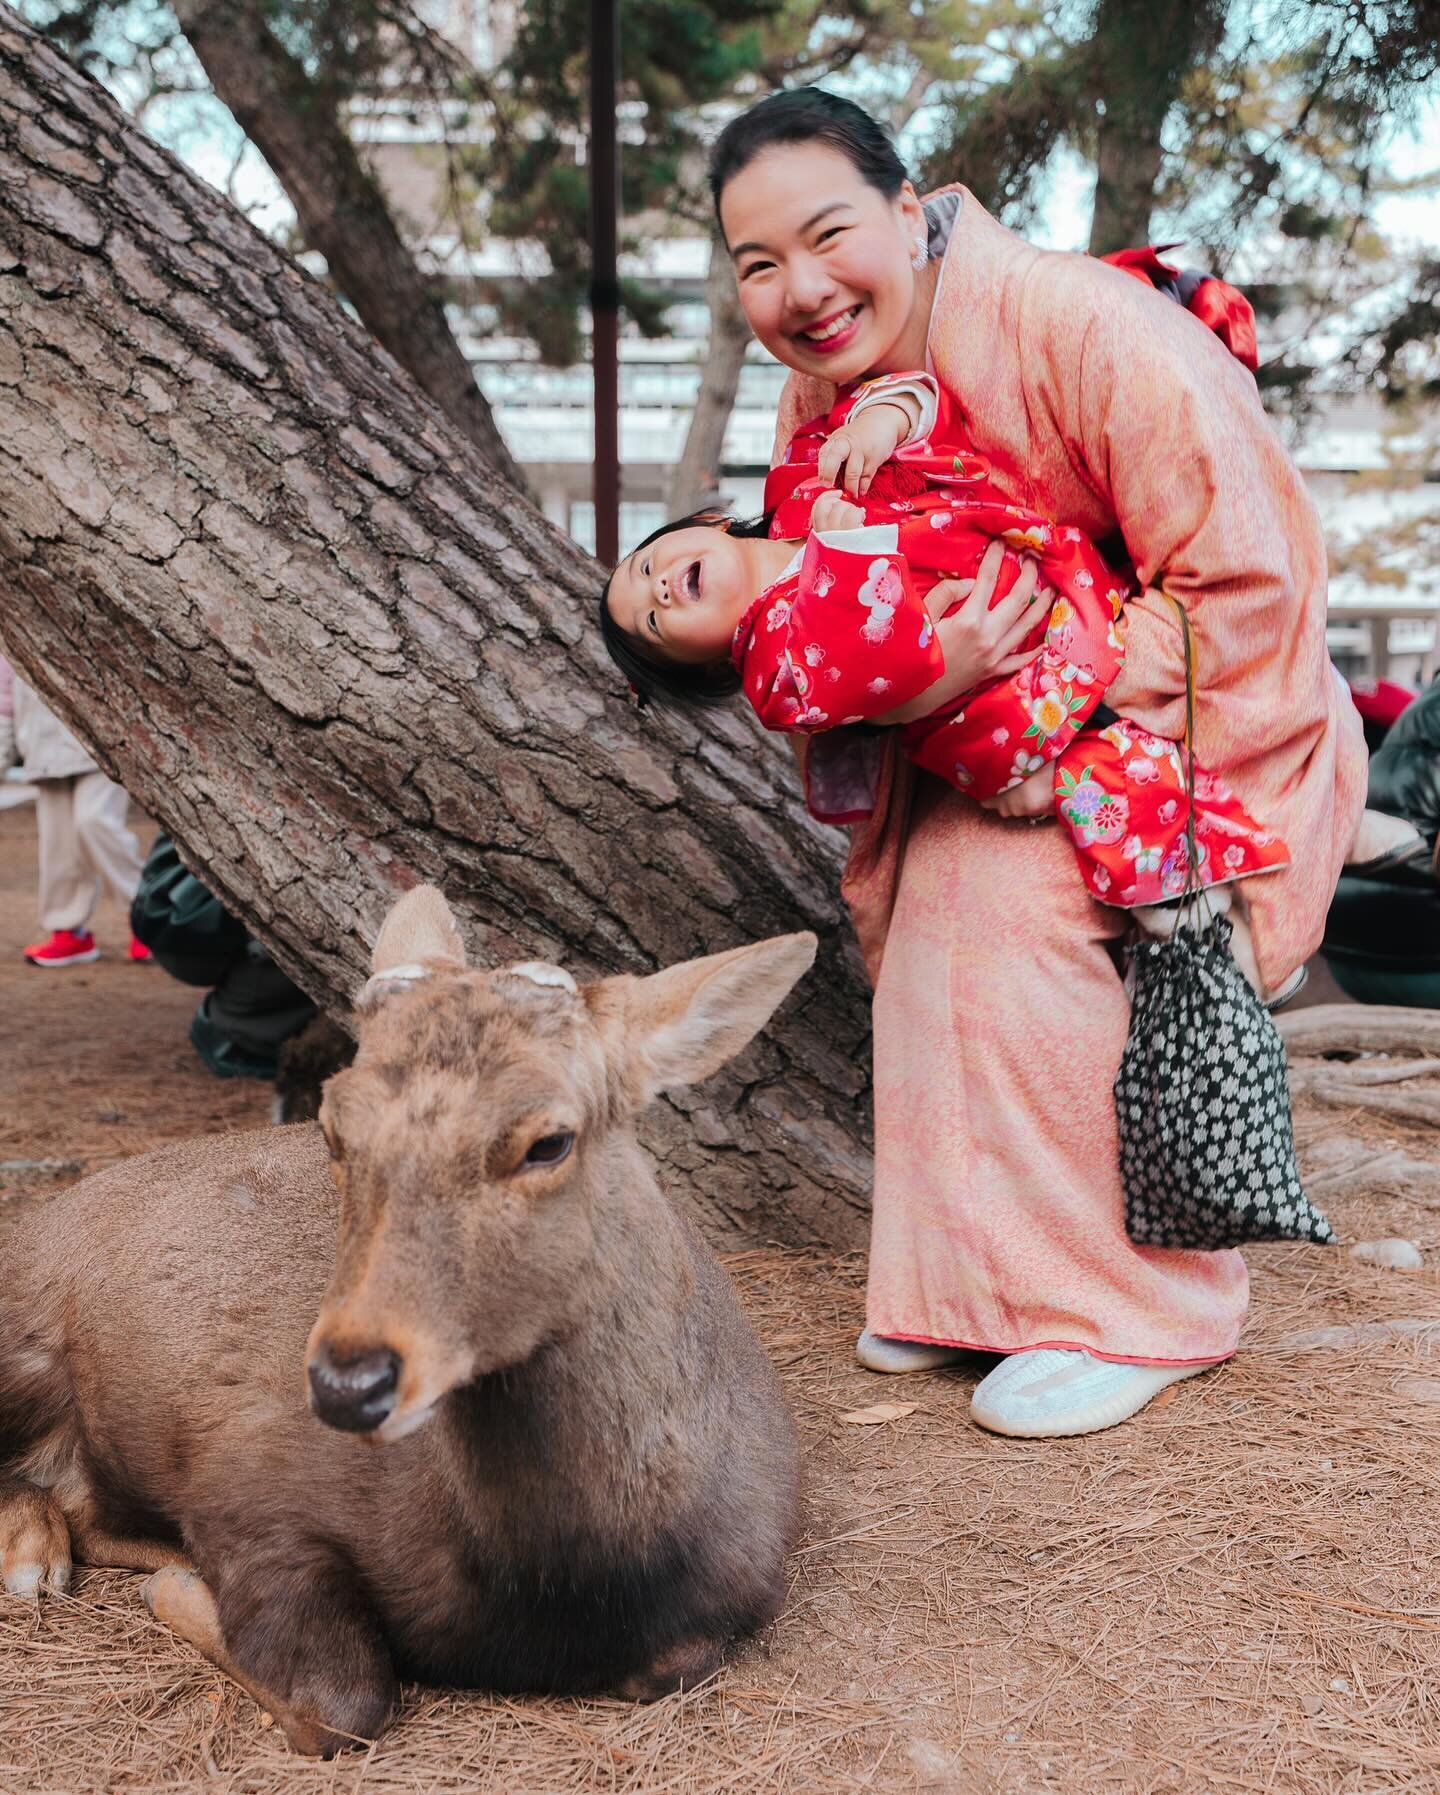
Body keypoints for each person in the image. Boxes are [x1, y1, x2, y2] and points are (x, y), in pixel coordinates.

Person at [648, 85, 1371, 1439]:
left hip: (1180, 707)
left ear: (909, 210)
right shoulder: (827, 386)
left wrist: (1055, 671)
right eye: (758, 265)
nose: (801, 289)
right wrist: (930, 682)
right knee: (930, 915)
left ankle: (1146, 1304)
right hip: (986, 724)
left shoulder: (1081, 326)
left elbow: (1255, 579)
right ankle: (967, 1283)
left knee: (1016, 916)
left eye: (827, 234)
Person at [602, 379, 1301, 983]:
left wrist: (882, 421)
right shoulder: (775, 669)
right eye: (655, 622)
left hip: (1043, 580)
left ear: (705, 521)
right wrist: (845, 553)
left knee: (1174, 701)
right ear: (709, 661)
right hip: (999, 702)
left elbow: (907, 402)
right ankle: (1209, 927)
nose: (660, 590)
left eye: (644, 570)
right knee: (1107, 778)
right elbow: (866, 666)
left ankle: (1259, 828)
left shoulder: (798, 486)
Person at [0, 655, 151, 969]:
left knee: (94, 821)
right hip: (43, 753)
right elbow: (4, 702)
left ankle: (148, 920)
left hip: (100, 746)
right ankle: (68, 930)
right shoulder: (8, 643)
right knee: (59, 844)